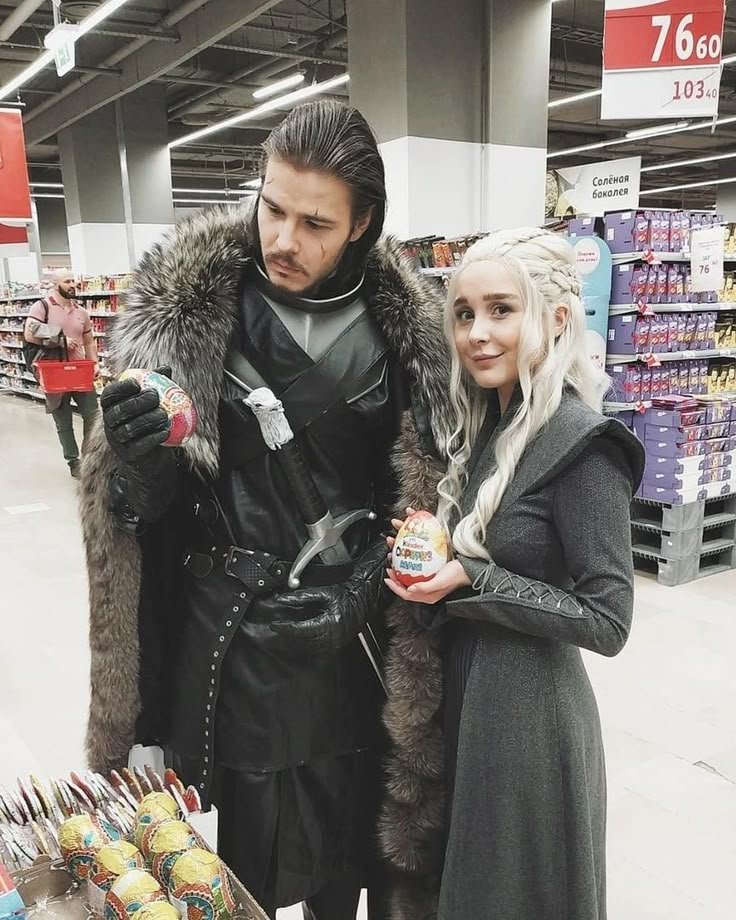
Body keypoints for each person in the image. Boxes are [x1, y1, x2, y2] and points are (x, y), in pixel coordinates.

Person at [78, 100, 454, 919]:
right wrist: (140, 461)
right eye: (272, 208)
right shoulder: (188, 310)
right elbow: (140, 518)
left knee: (348, 860)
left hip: (355, 649)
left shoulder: (406, 337)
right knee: (224, 870)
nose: (283, 239)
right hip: (224, 645)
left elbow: (422, 500)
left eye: (316, 223)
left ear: (361, 225)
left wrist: (359, 591)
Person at [380, 228, 645, 919]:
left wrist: (472, 578)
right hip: (473, 705)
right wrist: (433, 567)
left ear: (556, 319)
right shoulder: (490, 431)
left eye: (502, 309)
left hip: (531, 724)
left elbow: (609, 620)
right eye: (464, 313)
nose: (477, 333)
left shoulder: (584, 446)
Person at [24, 269, 98, 478]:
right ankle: (73, 461)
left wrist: (94, 363)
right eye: (67, 281)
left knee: (93, 416)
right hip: (53, 372)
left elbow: (89, 341)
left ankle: (89, 458)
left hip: (80, 371)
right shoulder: (42, 307)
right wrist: (60, 339)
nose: (72, 284)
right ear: (56, 285)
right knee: (63, 421)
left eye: (73, 280)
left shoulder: (81, 312)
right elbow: (29, 334)